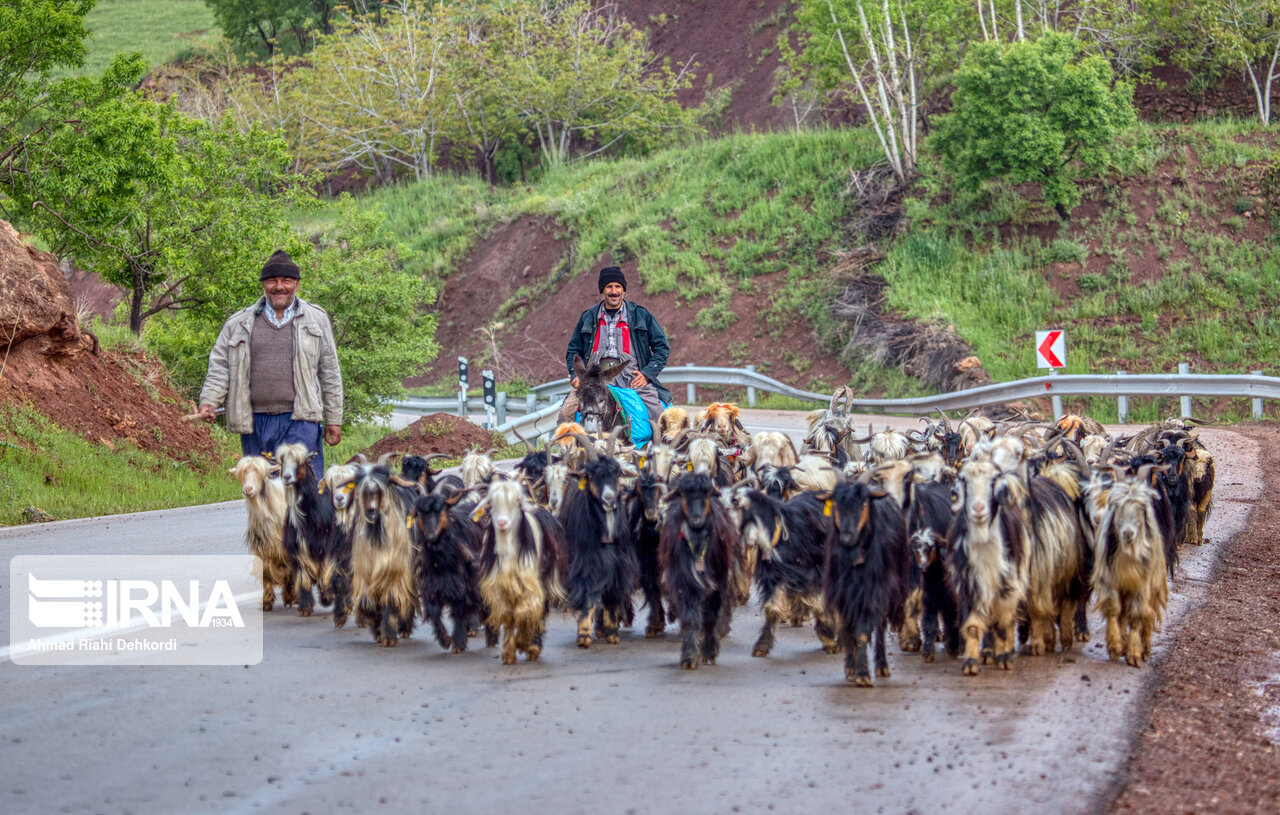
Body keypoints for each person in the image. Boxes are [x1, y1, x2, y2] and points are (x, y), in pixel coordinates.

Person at [198, 249, 343, 472]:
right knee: (262, 489)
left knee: (298, 487)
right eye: (272, 281)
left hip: (301, 419)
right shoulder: (239, 323)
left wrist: (334, 418)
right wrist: (209, 400)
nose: (279, 286)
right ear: (263, 285)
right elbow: (220, 367)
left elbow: (329, 371)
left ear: (297, 285)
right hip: (254, 422)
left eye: (286, 281)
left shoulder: (316, 319)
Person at [561, 265, 671, 426]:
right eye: (609, 287)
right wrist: (575, 375)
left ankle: (655, 450)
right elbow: (573, 350)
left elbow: (662, 347)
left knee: (659, 416)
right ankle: (568, 450)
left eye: (618, 286)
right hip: (595, 381)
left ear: (623, 290)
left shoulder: (640, 315)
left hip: (631, 378)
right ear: (602, 290)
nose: (614, 291)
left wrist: (646, 374)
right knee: (566, 414)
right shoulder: (588, 317)